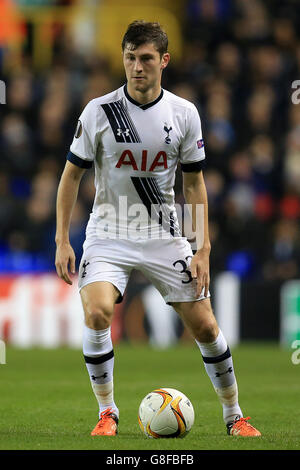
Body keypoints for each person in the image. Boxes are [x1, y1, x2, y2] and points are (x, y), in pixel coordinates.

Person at [55, 20, 261, 437]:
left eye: (146, 58)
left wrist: (202, 246)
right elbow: (71, 177)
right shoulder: (99, 111)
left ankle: (234, 415)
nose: (137, 67)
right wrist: (62, 238)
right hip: (109, 231)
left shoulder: (184, 114)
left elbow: (194, 183)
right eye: (130, 58)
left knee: (205, 325)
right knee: (97, 312)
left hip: (165, 233)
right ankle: (107, 413)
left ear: (164, 60)